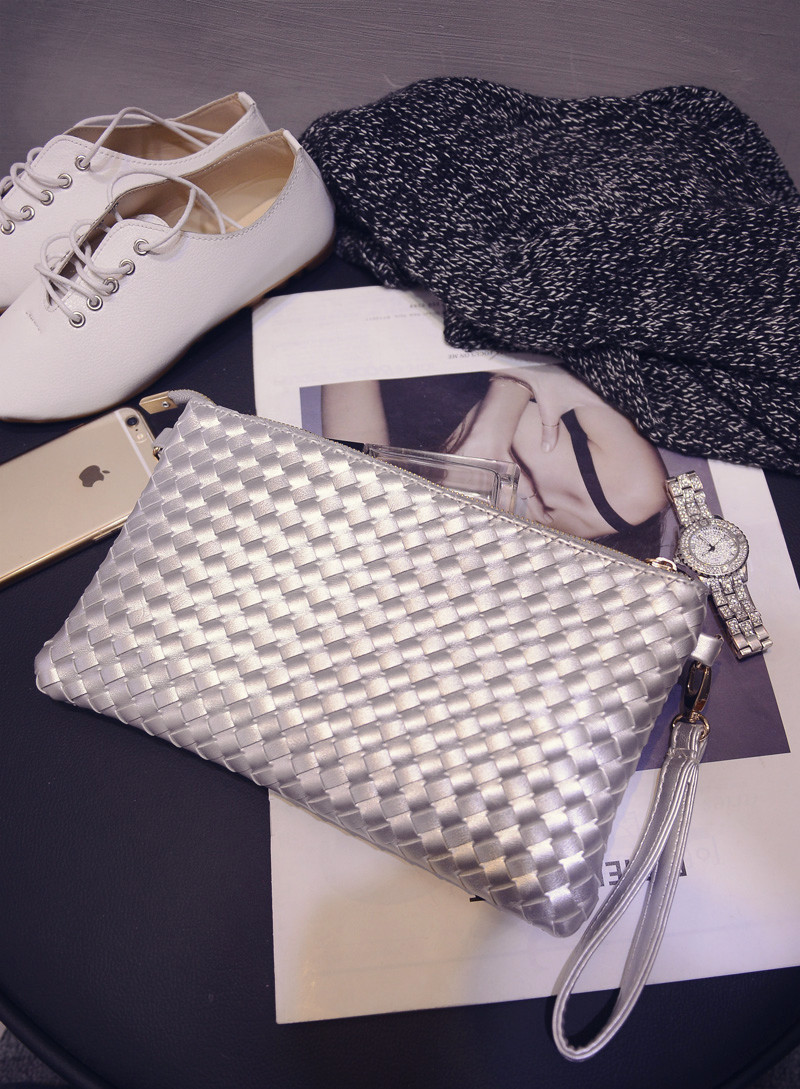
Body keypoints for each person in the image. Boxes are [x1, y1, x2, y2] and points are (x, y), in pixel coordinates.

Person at [320, 356, 669, 561]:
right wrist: (495, 422)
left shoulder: (391, 514)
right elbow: (585, 328)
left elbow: (342, 351)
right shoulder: (630, 491)